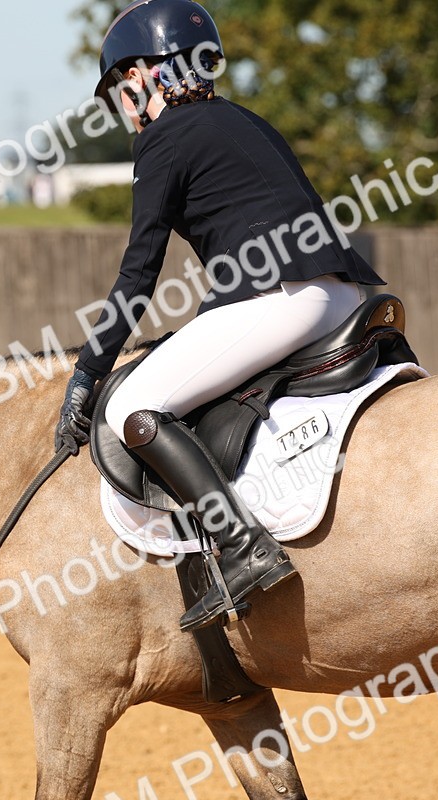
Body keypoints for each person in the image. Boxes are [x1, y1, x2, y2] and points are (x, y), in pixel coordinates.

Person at [53, 0, 385, 632]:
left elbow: (139, 271)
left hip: (279, 298)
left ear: (147, 73)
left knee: (132, 409)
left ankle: (242, 548)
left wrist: (88, 372)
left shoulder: (163, 138)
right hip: (342, 294)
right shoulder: (243, 119)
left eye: (123, 84)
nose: (124, 103)